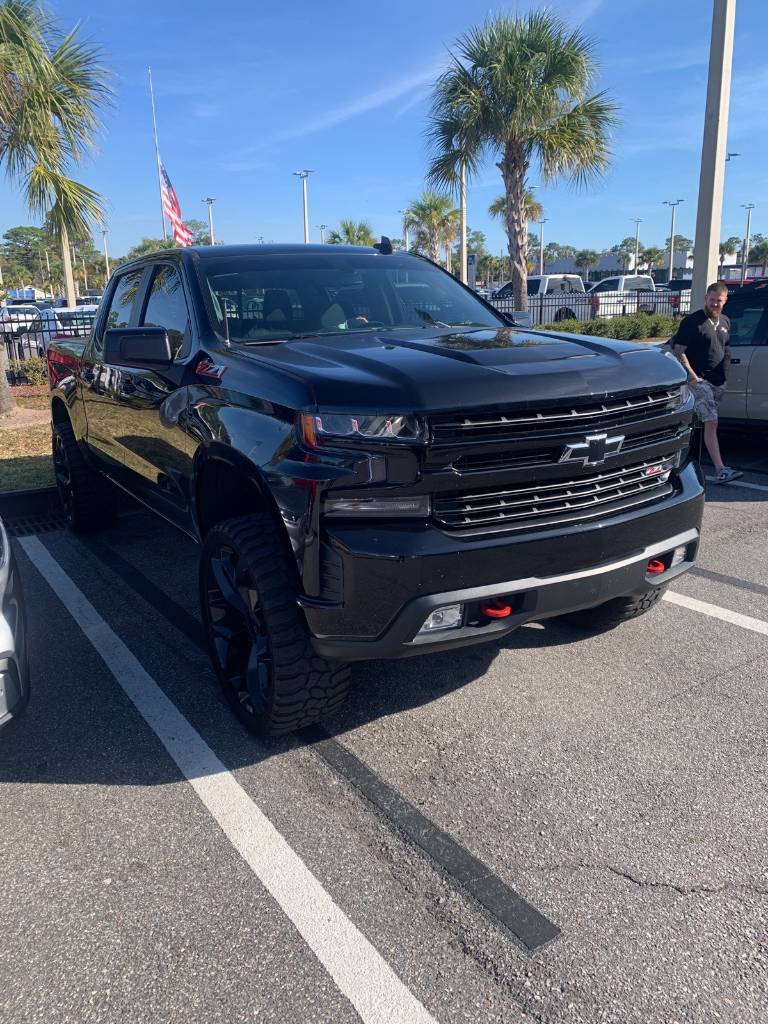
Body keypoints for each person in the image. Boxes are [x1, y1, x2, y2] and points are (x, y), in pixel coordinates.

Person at [672, 281, 742, 484]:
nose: (714, 304)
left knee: (699, 422)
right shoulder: (692, 322)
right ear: (706, 298)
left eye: (718, 300)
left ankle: (685, 463)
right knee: (711, 421)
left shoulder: (725, 321)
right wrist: (693, 377)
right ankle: (721, 469)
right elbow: (679, 351)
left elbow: (726, 348)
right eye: (711, 300)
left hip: (718, 382)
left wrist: (724, 374)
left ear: (725, 300)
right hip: (699, 381)